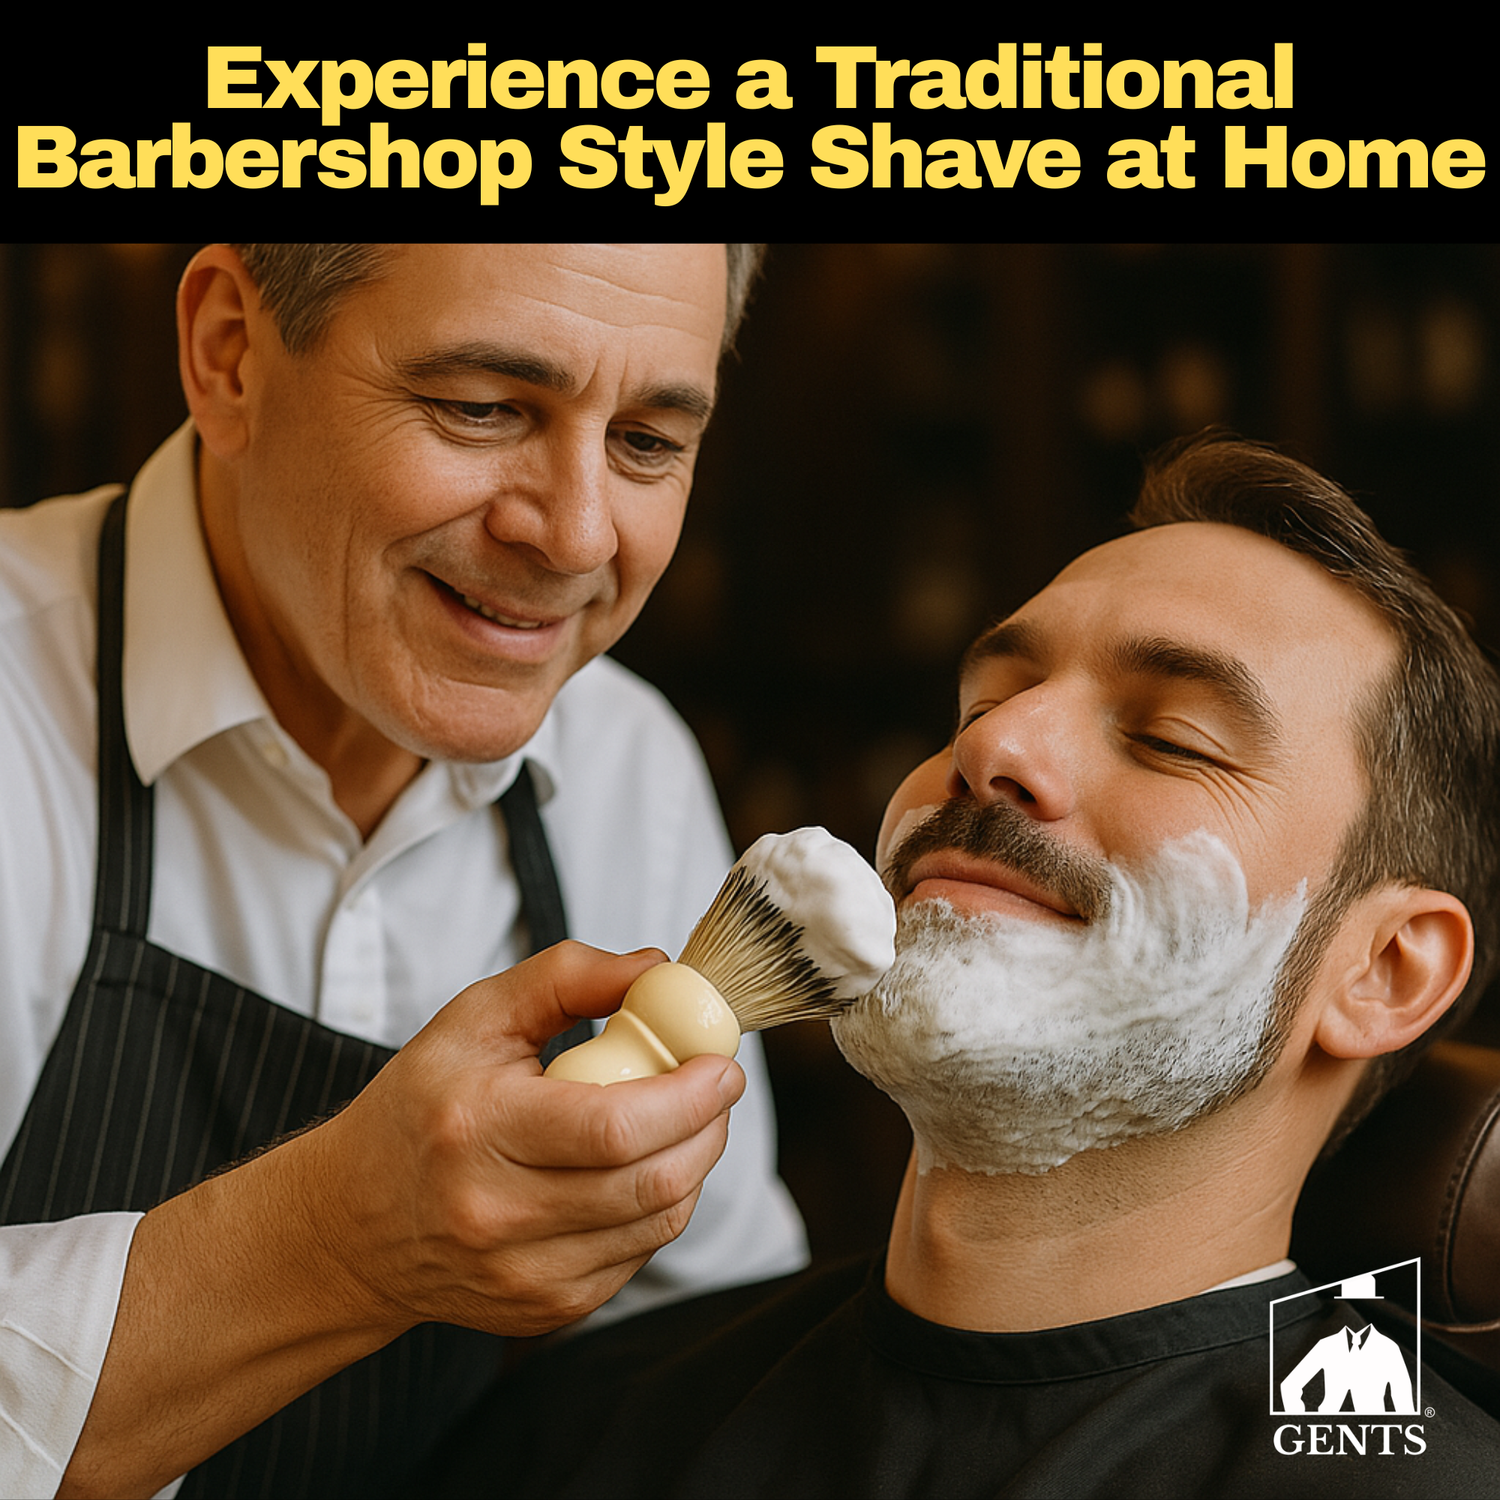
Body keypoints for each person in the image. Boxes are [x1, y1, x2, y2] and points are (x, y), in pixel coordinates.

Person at [414, 434, 1500, 1497]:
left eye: (1171, 736)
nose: (991, 749)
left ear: (1387, 972)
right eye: (983, 703)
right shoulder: (585, 1423)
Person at [0, 244, 807, 1500]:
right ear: (229, 355)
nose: (577, 533)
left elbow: (699, 1366)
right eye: (482, 408)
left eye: (648, 440)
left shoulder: (629, 769)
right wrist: (328, 1246)